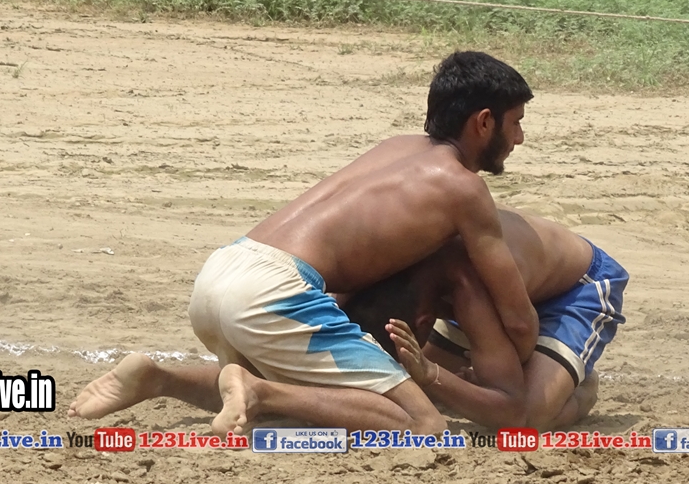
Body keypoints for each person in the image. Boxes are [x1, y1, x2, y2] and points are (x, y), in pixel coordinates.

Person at [70, 51, 537, 436]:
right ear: (483, 122)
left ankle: (158, 378)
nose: (518, 137)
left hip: (223, 270)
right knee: (422, 424)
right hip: (276, 293)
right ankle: (258, 390)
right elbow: (517, 319)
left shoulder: (396, 147)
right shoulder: (463, 189)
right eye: (515, 123)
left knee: (311, 393)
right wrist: (526, 354)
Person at [345, 208, 628, 432]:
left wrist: (432, 372)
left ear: (424, 322)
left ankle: (582, 388)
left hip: (576, 287)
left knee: (530, 419)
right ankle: (533, 369)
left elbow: (511, 412)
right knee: (409, 386)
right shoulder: (387, 259)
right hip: (503, 294)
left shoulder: (471, 286)